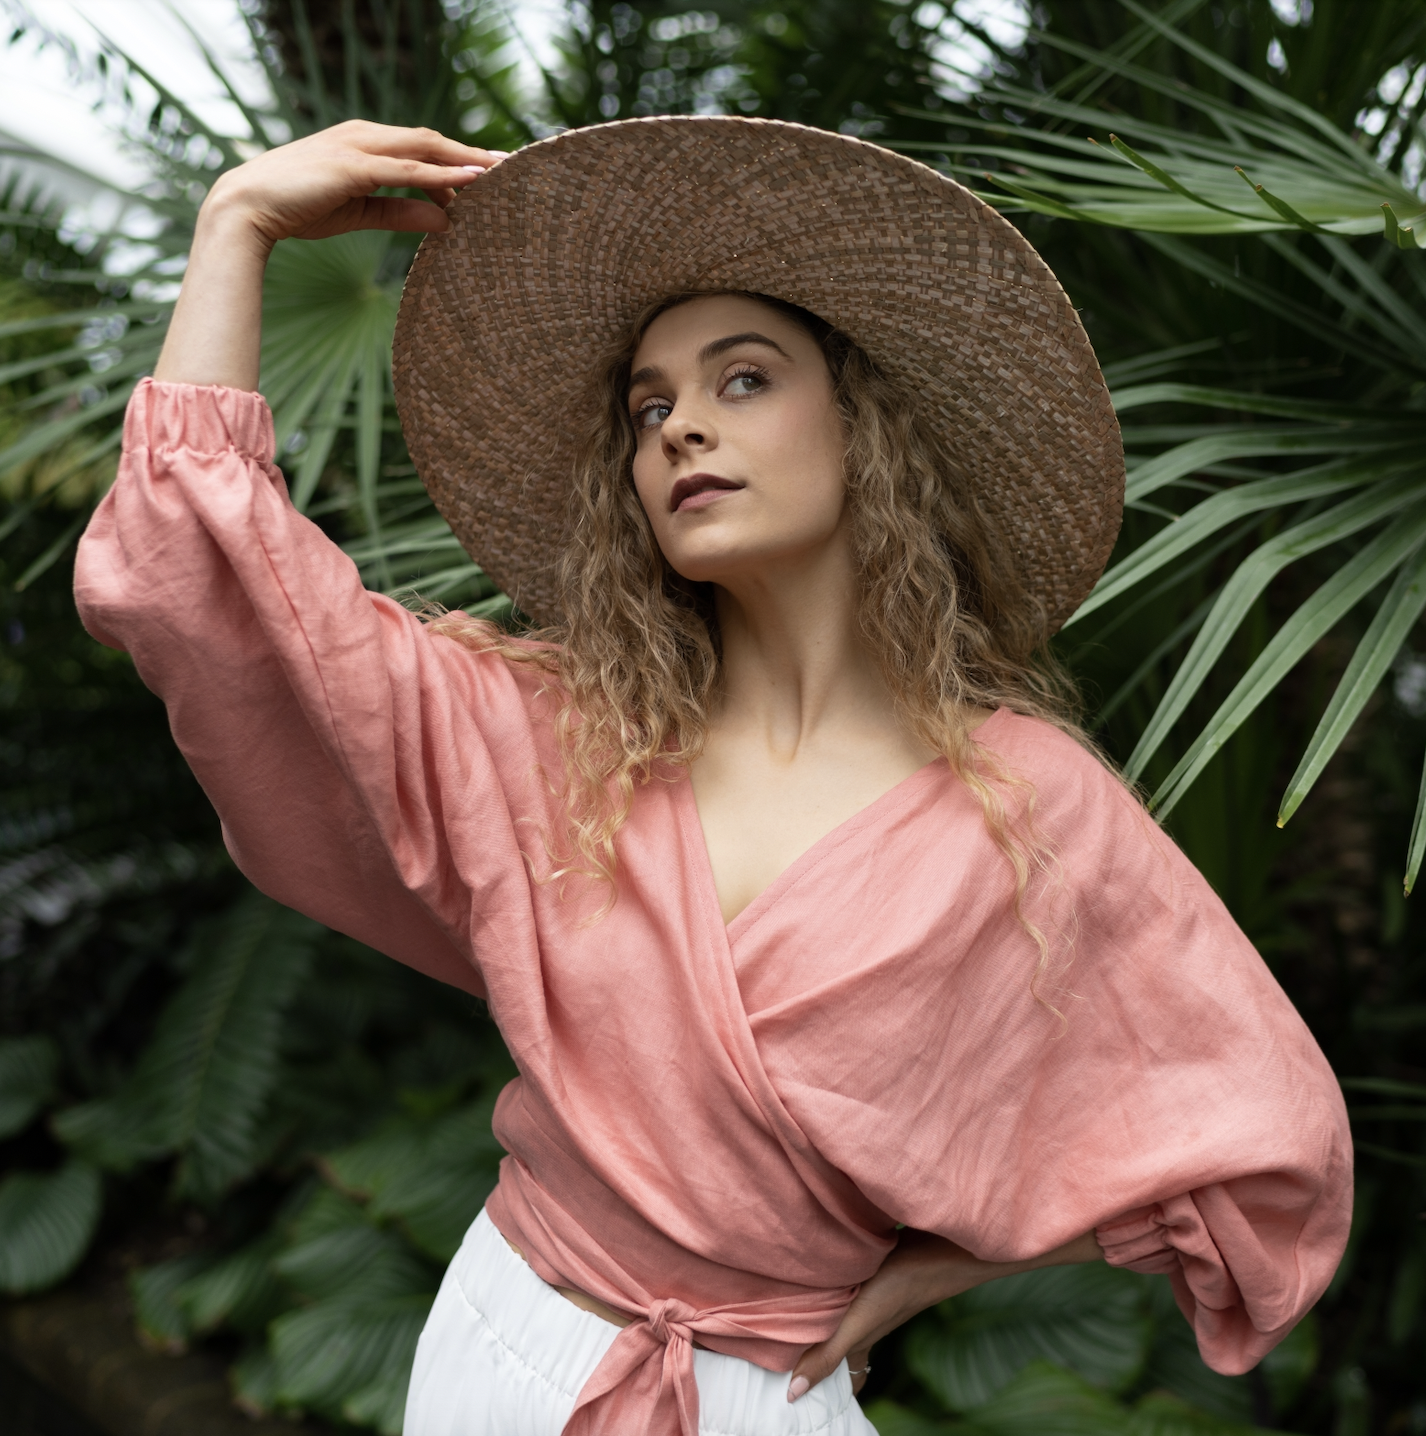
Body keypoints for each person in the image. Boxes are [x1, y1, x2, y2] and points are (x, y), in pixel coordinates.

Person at [74, 117, 1352, 1436]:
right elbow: (202, 595)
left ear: (862, 429)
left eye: (743, 379)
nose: (682, 424)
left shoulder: (1026, 805)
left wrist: (942, 1269)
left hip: (763, 1394)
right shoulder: (563, 735)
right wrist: (237, 224)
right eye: (650, 408)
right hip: (497, 1344)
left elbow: (1261, 1137)